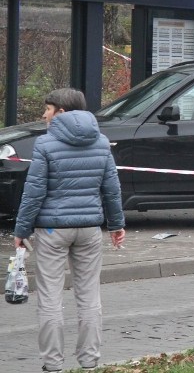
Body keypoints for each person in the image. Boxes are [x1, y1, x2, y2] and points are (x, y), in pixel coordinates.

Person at [13, 88, 126, 373]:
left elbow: (34, 192)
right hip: (89, 228)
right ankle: (89, 362)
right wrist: (116, 224)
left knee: (50, 298)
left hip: (52, 230)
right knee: (89, 297)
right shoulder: (100, 142)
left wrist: (21, 229)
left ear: (62, 112)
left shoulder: (45, 144)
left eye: (48, 109)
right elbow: (111, 189)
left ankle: (53, 365)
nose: (44, 114)